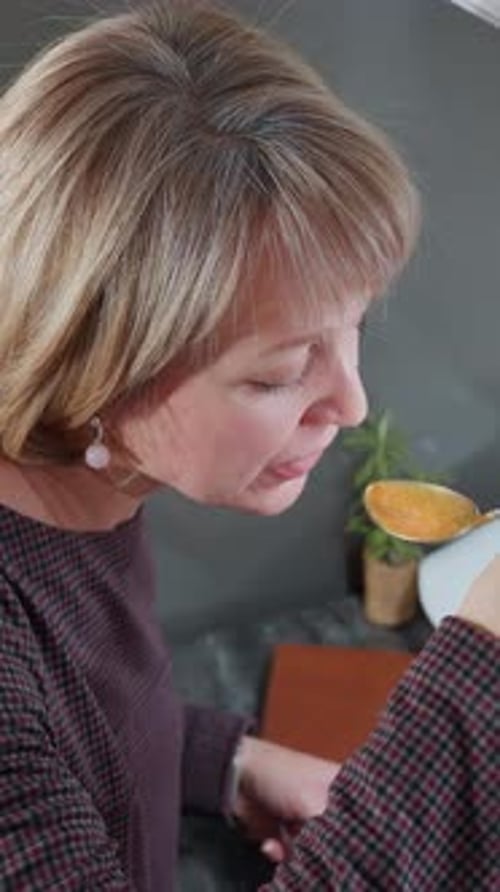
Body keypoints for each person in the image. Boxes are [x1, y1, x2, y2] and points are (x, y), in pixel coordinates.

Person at [0, 1, 496, 889]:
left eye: (353, 331)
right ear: (91, 361)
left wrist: (227, 767)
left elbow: (80, 716)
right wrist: (481, 671)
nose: (350, 404)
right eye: (277, 375)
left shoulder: (91, 478)